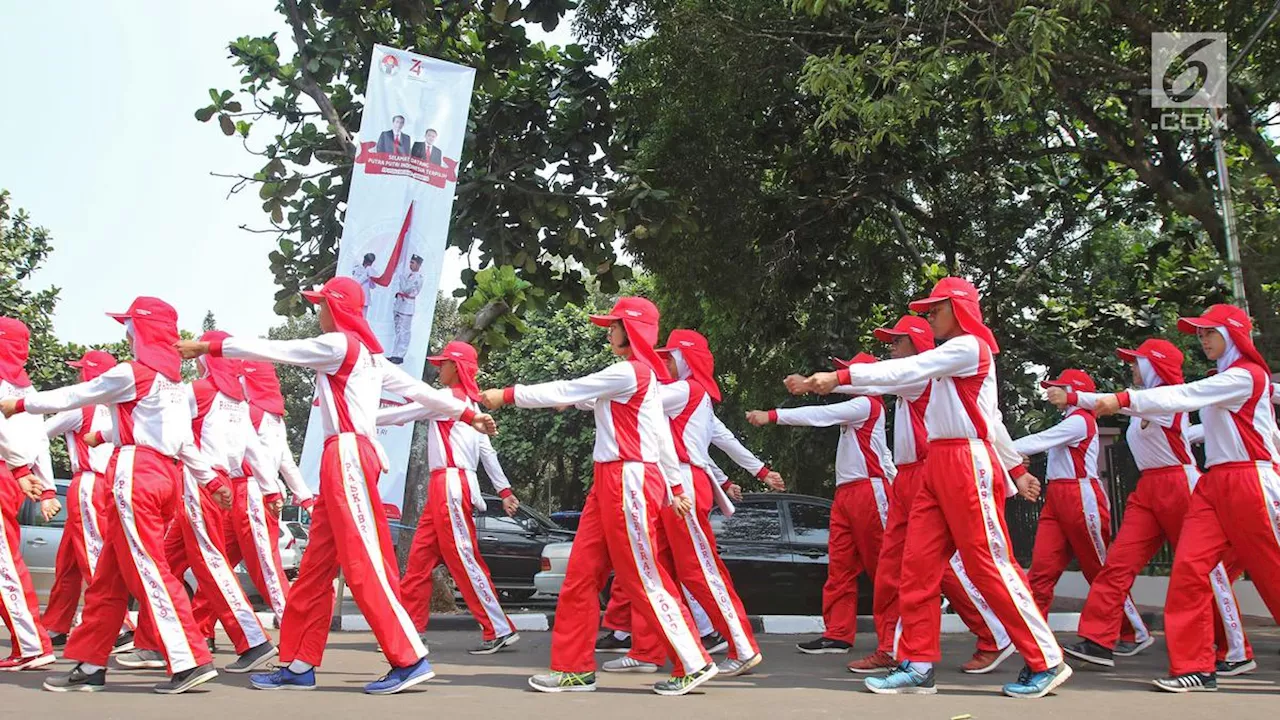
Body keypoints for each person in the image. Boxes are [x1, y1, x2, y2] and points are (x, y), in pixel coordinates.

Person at [176, 276, 496, 695]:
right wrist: (468, 414)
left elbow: (279, 350)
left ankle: (409, 658)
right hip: (343, 458)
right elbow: (421, 392)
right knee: (313, 570)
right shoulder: (369, 357)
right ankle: (298, 662)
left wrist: (210, 347)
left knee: (365, 563)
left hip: (347, 455)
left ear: (336, 307)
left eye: (321, 304)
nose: (318, 312)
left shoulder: (340, 345)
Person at [806, 278, 1068, 699]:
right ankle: (918, 664)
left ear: (960, 308)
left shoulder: (969, 348)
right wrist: (1017, 468)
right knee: (918, 568)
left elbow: (911, 371)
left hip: (966, 462)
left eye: (936, 310)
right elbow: (991, 416)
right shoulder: (949, 360)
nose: (930, 317)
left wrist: (839, 376)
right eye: (927, 312)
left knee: (989, 564)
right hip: (937, 466)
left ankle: (1046, 659)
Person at [479, 296, 717, 696]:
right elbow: (654, 431)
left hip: (630, 481)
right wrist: (674, 486)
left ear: (632, 330)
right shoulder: (641, 379)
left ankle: (694, 661)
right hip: (609, 481)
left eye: (614, 324)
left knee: (643, 575)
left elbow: (571, 387)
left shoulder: (631, 372)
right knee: (580, 575)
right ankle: (574, 668)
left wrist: (507, 394)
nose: (608, 330)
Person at [3, 298, 224, 693]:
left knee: (149, 568)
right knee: (108, 577)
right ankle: (89, 664)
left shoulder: (133, 373)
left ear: (142, 331)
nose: (127, 335)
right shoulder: (172, 383)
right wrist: (210, 480)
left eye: (129, 328)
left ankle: (189, 659)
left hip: (135, 472)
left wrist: (20, 403)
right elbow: (185, 441)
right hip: (165, 475)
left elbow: (77, 395)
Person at [787, 315, 1015, 675]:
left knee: (953, 568)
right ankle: (895, 649)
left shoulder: (919, 379)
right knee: (898, 569)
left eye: (897, 342)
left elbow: (884, 379)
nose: (890, 350)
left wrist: (831, 382)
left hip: (934, 472)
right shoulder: (923, 382)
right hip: (909, 479)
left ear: (918, 345)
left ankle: (995, 633)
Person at [1086, 304, 1279, 693]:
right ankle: (1196, 666)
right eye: (1200, 334)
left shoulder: (1245, 375)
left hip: (1251, 480)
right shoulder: (1226, 379)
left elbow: (1186, 396)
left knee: (1272, 572)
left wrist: (1123, 399)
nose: (1202, 339)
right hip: (1214, 484)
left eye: (1210, 332)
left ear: (1234, 333)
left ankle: (1225, 655)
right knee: (1190, 570)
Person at [1053, 339, 1253, 675]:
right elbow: (1133, 406)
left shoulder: (1171, 398)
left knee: (1206, 572)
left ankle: (1236, 650)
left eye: (1137, 362)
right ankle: (1098, 640)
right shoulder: (1148, 400)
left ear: (1155, 365)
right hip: (1149, 489)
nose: (1131, 367)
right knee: (1117, 563)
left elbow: (1134, 405)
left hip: (1182, 486)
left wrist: (1075, 397)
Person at [601, 329, 778, 678]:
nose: (662, 360)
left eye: (669, 356)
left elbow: (631, 395)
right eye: (661, 355)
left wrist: (582, 392)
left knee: (699, 571)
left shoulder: (685, 390)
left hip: (683, 485)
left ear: (686, 359)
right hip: (668, 483)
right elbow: (725, 439)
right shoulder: (692, 397)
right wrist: (760, 470)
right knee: (654, 569)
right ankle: (647, 650)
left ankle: (743, 647)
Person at [139, 331, 277, 674]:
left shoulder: (199, 391)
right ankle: (155, 642)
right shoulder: (238, 400)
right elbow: (253, 450)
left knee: (209, 563)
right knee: (165, 564)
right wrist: (271, 488)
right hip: (220, 483)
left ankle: (252, 640)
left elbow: (161, 424)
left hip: (199, 482)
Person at [376, 340, 521, 654]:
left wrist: (360, 419)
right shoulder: (472, 407)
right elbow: (488, 453)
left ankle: (498, 628)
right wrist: (504, 490)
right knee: (417, 564)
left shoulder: (445, 399)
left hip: (450, 486)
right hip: (446, 487)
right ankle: (410, 631)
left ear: (455, 367)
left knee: (464, 559)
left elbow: (405, 413)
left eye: (442, 363)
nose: (438, 367)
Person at [748, 353, 896, 657]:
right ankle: (838, 634)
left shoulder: (867, 404)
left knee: (884, 567)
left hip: (870, 491)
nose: (843, 377)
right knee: (840, 568)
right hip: (847, 494)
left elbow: (820, 416)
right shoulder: (858, 407)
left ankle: (893, 641)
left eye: (849, 373)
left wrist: (773, 415)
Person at [1013, 369, 1152, 654]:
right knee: (1041, 571)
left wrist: (1000, 451)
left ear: (1074, 389)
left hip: (1081, 496)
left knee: (1099, 569)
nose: (1051, 392)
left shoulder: (1080, 420)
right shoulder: (1070, 419)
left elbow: (1040, 441)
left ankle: (1133, 632)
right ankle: (1032, 635)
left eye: (1058, 387)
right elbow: (1041, 444)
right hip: (1058, 498)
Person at [41, 350, 136, 654]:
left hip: (89, 483)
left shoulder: (82, 406)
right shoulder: (117, 405)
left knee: (92, 555)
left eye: (82, 371)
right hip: (107, 481)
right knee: (69, 562)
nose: (78, 375)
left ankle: (120, 626)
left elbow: (41, 433)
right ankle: (56, 624)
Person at [233, 359, 314, 622]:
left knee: (264, 566)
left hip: (250, 491)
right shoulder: (274, 417)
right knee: (215, 564)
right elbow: (286, 461)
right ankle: (203, 627)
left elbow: (254, 457)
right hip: (253, 491)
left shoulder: (250, 412)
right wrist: (304, 497)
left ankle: (294, 622)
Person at [0, 317, 58, 671]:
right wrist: (45, 483)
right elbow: (40, 441)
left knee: (5, 566)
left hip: (6, 471)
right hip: (14, 476)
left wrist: (22, 471)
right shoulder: (27, 390)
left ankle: (33, 645)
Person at [388, 254, 423, 364]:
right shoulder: (409, 275)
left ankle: (400, 355)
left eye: (412, 263)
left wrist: (401, 277)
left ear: (418, 265)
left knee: (404, 331)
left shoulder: (417, 277)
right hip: (400, 304)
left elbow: (406, 289)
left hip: (407, 306)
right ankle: (395, 353)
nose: (410, 264)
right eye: (410, 262)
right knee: (398, 330)